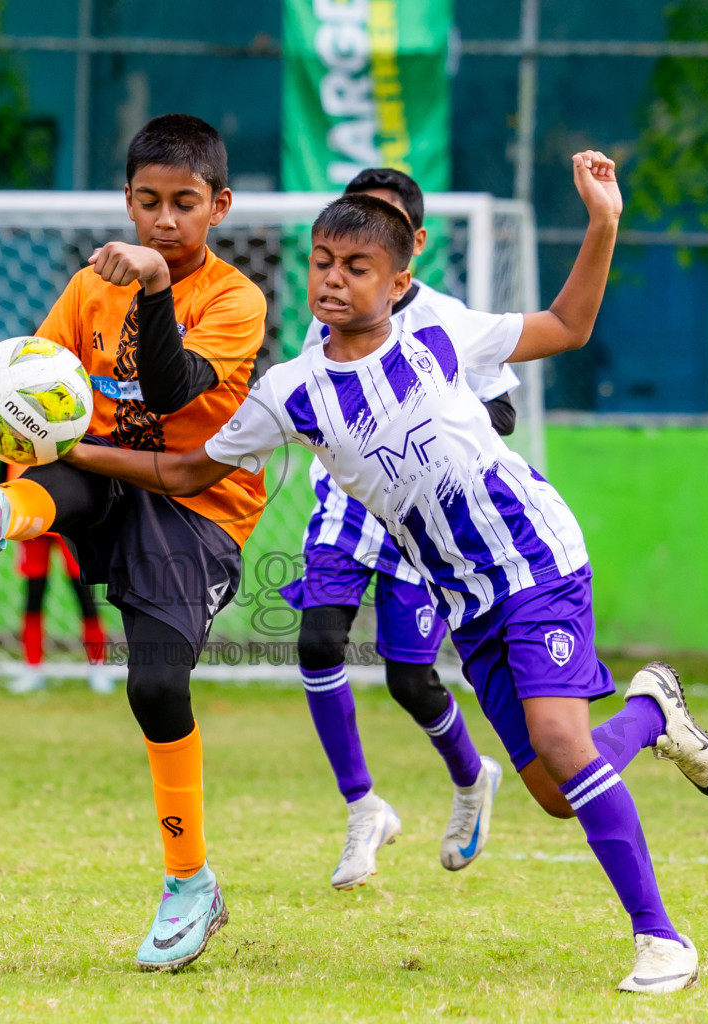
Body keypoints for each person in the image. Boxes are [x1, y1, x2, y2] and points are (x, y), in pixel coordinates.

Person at [57, 157, 708, 995]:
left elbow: (568, 323)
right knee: (559, 795)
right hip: (466, 602)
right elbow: (189, 469)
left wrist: (603, 222)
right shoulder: (292, 389)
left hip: (535, 560)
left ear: (399, 277)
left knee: (562, 746)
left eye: (358, 267)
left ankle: (663, 941)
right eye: (323, 264)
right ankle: (649, 709)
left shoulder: (444, 334)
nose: (335, 282)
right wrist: (72, 450)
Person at [0, 114, 267, 971]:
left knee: (154, 686)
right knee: (69, 464)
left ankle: (191, 882)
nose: (165, 220)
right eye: (148, 203)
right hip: (101, 476)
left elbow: (173, 386)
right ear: (127, 199)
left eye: (185, 204)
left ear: (218, 206)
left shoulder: (235, 299)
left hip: (195, 506)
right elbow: (45, 386)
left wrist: (151, 286)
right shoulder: (86, 286)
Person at [284, 167, 520, 890]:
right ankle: (362, 808)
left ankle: (472, 776)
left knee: (410, 678)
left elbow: (501, 413)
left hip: (423, 517)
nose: (352, 260)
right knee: (319, 641)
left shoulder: (447, 318)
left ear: (410, 247)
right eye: (341, 246)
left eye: (375, 240)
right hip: (347, 508)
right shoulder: (325, 314)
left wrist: (422, 415)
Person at [0, 463, 114, 696]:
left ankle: (97, 666)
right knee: (34, 594)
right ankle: (33, 668)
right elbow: (1, 470)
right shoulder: (7, 435)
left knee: (83, 592)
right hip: (29, 514)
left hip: (67, 516)